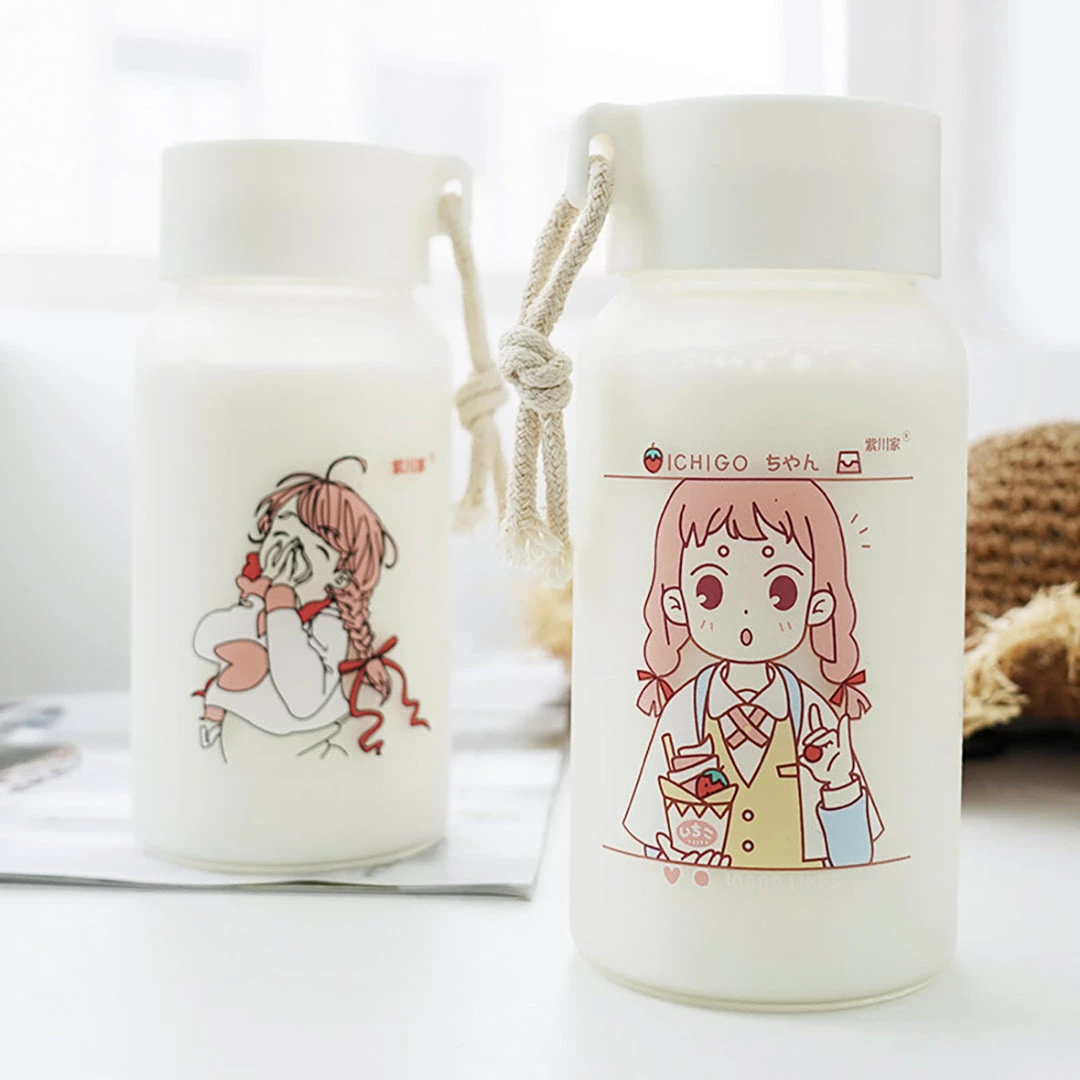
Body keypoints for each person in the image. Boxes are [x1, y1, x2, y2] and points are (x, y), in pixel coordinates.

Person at [624, 479, 882, 869]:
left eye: (781, 592)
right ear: (676, 604)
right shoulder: (684, 714)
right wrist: (679, 859)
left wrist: (839, 783)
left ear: (818, 605)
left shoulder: (813, 717)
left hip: (803, 894)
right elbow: (649, 837)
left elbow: (855, 858)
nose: (746, 615)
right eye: (710, 591)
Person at [192, 457, 426, 761]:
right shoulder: (256, 597)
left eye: (313, 547)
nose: (287, 550)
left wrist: (281, 605)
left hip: (304, 747)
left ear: (341, 576)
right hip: (241, 740)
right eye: (280, 532)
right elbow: (204, 642)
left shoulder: (330, 623)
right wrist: (256, 605)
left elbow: (303, 699)